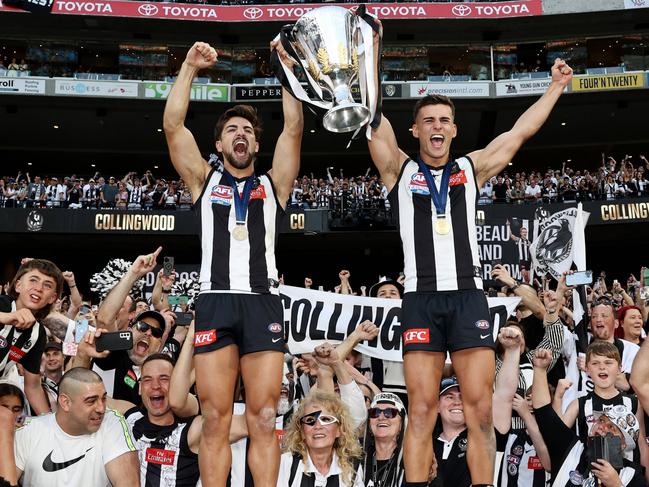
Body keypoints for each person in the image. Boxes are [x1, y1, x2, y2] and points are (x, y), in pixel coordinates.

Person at [367, 17, 574, 484]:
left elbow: (519, 133)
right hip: (420, 299)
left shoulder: (470, 168)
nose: (436, 127)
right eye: (428, 122)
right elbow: (372, 115)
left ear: (454, 130)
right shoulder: (397, 170)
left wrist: (555, 88)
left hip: (468, 298)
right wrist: (371, 53)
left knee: (479, 410)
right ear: (415, 130)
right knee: (420, 410)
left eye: (444, 121)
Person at [163, 41, 303, 487]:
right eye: (232, 130)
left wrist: (286, 69)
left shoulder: (274, 184)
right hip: (217, 301)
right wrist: (188, 67)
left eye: (248, 130)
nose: (240, 134)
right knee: (216, 418)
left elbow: (295, 130)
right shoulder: (203, 181)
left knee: (264, 416)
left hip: (263, 302)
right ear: (219, 142)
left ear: (256, 143)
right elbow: (172, 126)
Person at [532, 349, 646, 486]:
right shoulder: (570, 449)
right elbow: (544, 413)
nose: (602, 426)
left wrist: (616, 485)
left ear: (623, 443)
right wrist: (539, 369)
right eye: (601, 420)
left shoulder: (632, 475)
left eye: (612, 427)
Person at [13, 367, 140, 487]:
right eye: (91, 401)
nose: (101, 408)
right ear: (65, 402)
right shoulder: (29, 431)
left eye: (103, 399)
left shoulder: (112, 423)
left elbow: (128, 483)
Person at [1, 258, 63, 414]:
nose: (39, 288)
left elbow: (33, 386)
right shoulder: (3, 304)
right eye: (33, 280)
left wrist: (48, 423)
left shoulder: (38, 334)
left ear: (52, 298)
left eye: (47, 285)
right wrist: (5, 317)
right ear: (18, 285)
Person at [278, 390, 364, 487]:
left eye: (326, 419)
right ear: (301, 431)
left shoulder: (351, 468)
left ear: (339, 430)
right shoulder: (286, 464)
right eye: (310, 420)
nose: (317, 426)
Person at [362, 392, 407, 487]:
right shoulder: (357, 459)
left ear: (401, 424)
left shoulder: (411, 462)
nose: (381, 417)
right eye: (375, 412)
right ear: (369, 424)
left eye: (390, 412)